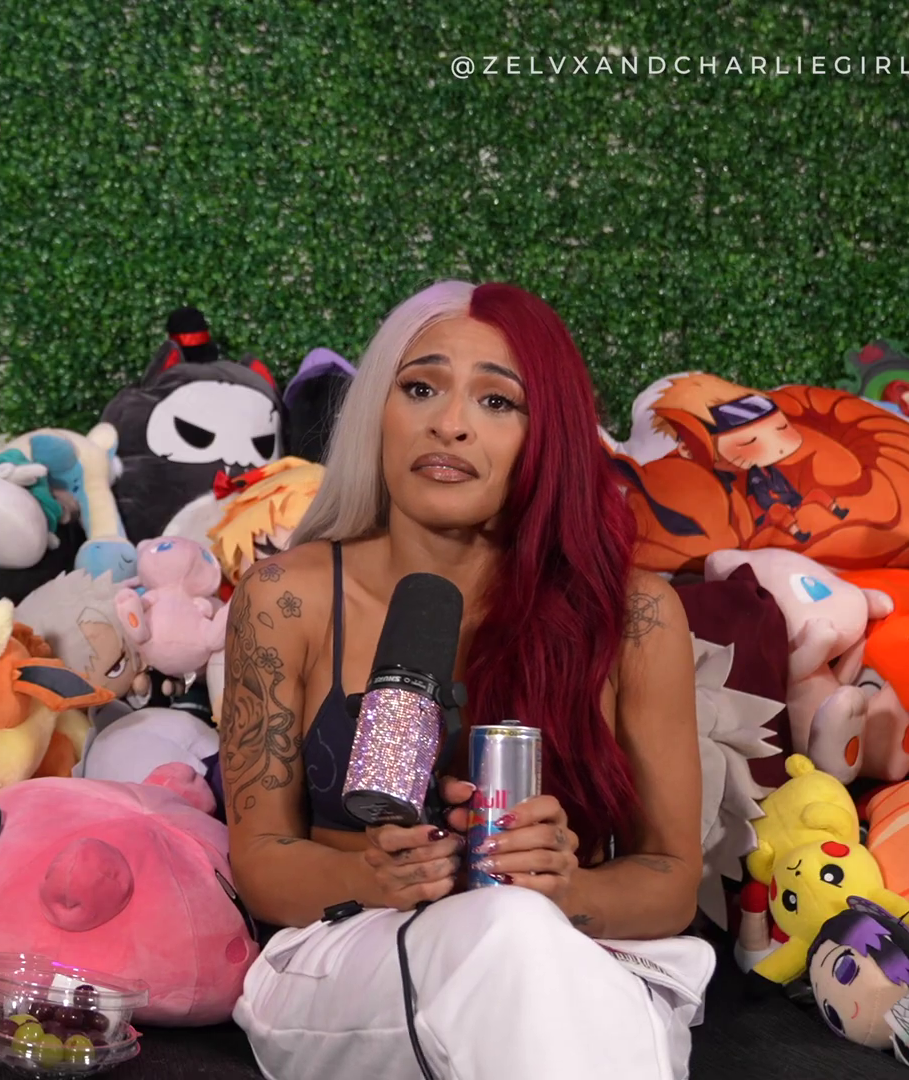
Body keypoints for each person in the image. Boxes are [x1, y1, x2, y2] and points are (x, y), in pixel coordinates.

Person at [221, 280, 715, 1080]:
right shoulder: (286, 598)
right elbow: (260, 860)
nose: (448, 423)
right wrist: (368, 875)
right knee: (513, 936)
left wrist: (564, 888)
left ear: (546, 436)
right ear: (379, 411)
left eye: (496, 401)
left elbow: (670, 880)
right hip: (352, 955)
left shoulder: (635, 617)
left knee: (523, 934)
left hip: (566, 953)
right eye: (421, 388)